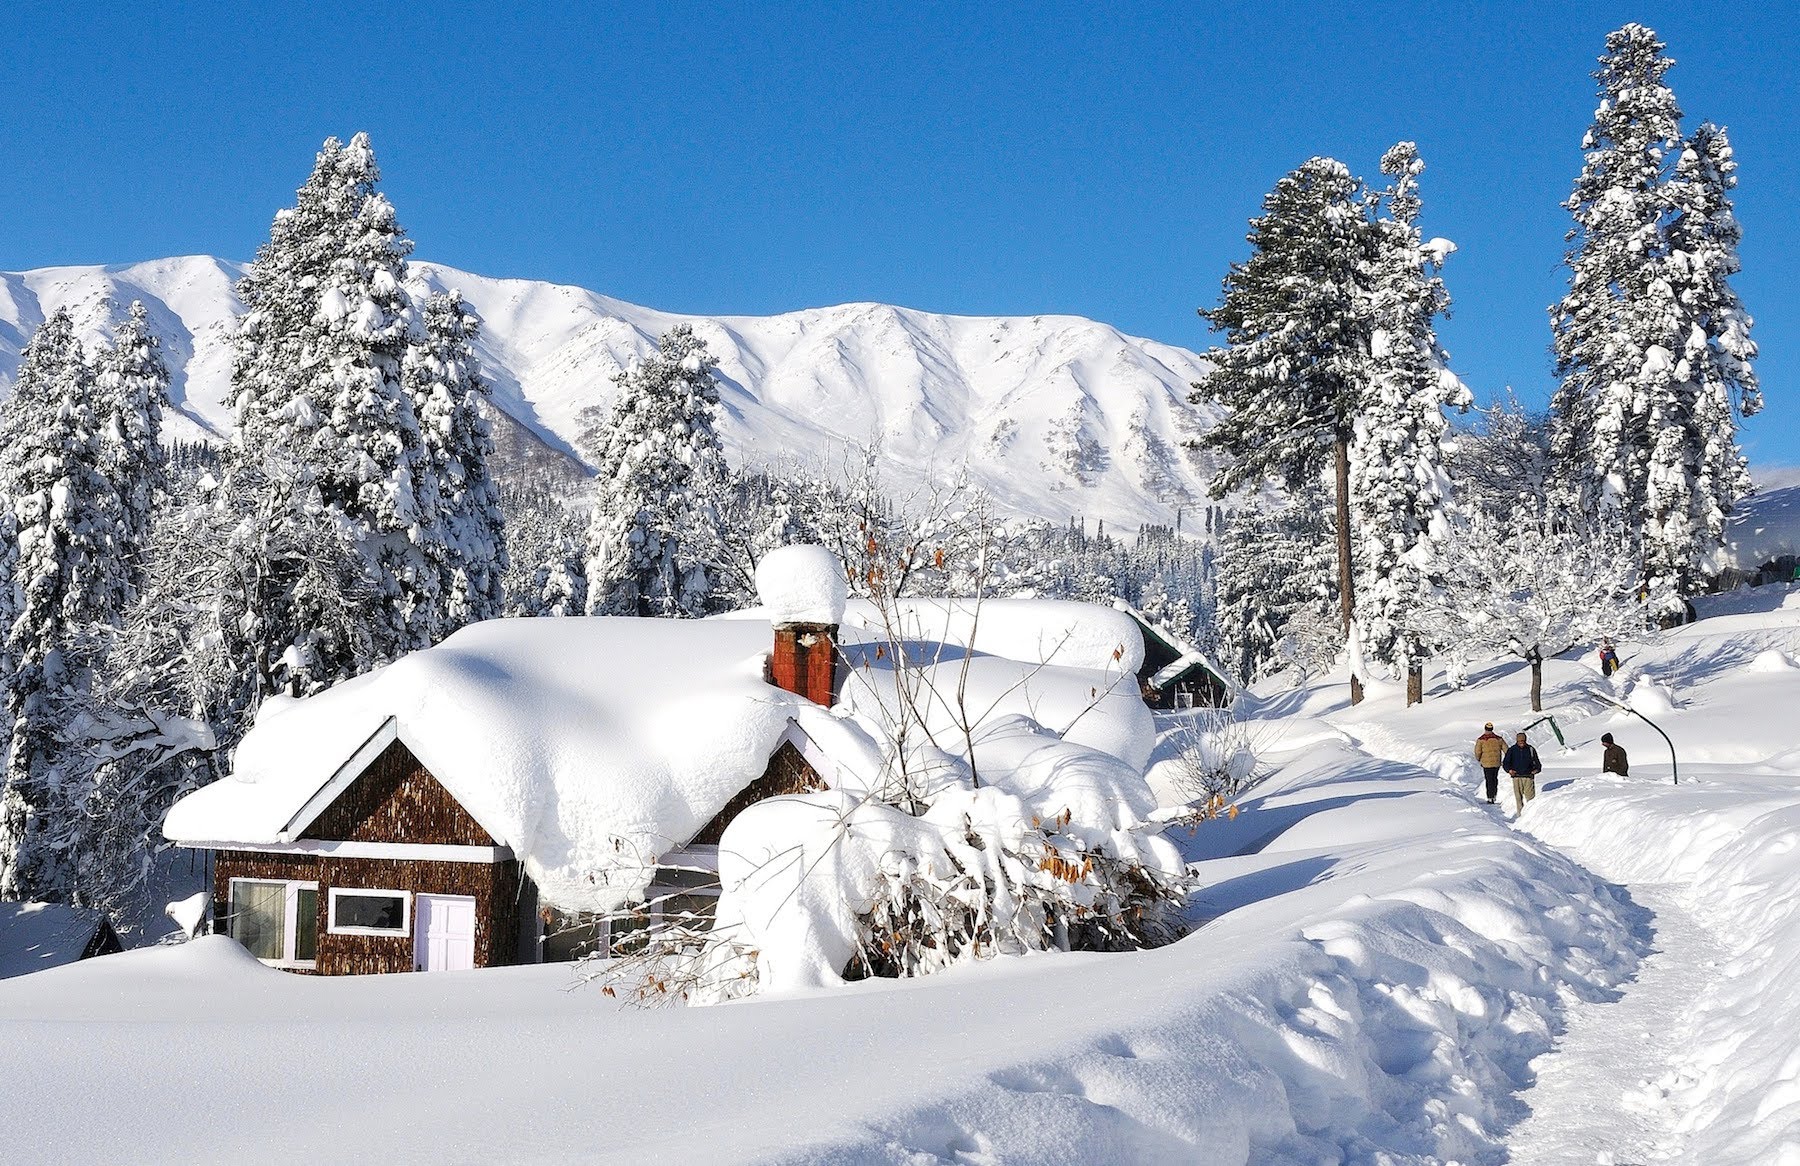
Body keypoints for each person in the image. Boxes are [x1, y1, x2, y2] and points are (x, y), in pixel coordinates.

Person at [1502, 731, 1542, 815]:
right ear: (1517, 741)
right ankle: (1520, 816)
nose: (1521, 743)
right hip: (1516, 777)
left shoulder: (1531, 749)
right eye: (1520, 741)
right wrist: (1509, 770)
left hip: (1528, 777)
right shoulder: (1512, 750)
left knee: (1530, 798)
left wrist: (1536, 770)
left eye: (1523, 741)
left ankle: (1531, 815)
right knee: (1518, 798)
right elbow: (1506, 763)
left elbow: (1537, 763)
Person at [1473, 722, 1506, 804]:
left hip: (1486, 764)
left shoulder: (1481, 740)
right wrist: (1505, 760)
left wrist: (1479, 759)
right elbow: (1506, 750)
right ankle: (1494, 795)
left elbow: (1477, 752)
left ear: (1485, 729)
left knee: (1489, 780)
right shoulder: (1498, 739)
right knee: (1495, 779)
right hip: (1496, 763)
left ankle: (1490, 797)